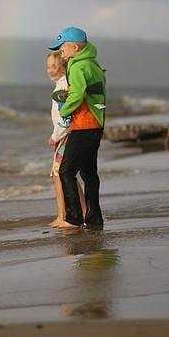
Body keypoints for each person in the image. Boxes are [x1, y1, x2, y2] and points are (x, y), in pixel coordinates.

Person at [48, 26, 107, 230]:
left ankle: (73, 218)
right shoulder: (91, 63)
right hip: (94, 124)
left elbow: (78, 93)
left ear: (74, 46)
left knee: (66, 170)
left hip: (85, 125)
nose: (60, 51)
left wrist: (64, 113)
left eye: (62, 47)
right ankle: (94, 217)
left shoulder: (80, 66)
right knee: (89, 173)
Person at [46, 52, 70, 227]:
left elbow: (65, 116)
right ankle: (83, 211)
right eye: (48, 67)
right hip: (66, 135)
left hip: (64, 136)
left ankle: (62, 216)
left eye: (54, 66)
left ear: (63, 66)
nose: (50, 70)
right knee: (67, 175)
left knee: (57, 174)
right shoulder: (60, 86)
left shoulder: (62, 88)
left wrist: (55, 136)